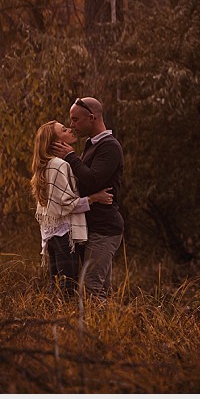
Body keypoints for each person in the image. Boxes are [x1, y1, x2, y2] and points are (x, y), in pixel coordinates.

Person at [51, 97, 124, 299]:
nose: (72, 125)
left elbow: (92, 180)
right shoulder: (92, 144)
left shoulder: (109, 146)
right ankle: (111, 329)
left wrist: (71, 157)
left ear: (92, 118)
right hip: (92, 227)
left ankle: (98, 330)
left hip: (104, 228)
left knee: (92, 288)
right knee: (101, 289)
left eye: (76, 120)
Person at [31, 120, 114, 296]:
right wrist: (94, 198)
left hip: (51, 236)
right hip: (64, 236)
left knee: (57, 288)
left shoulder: (45, 165)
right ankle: (63, 323)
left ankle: (52, 322)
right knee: (68, 289)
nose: (70, 129)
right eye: (64, 130)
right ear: (56, 142)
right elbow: (66, 205)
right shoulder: (59, 165)